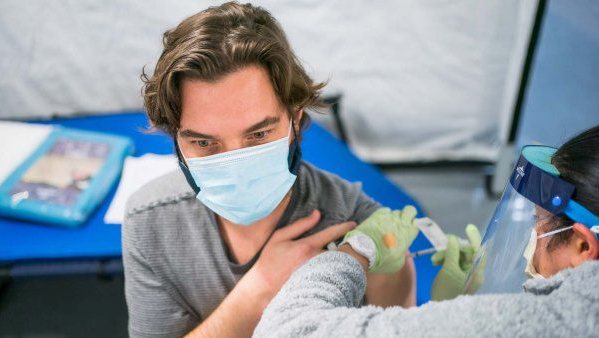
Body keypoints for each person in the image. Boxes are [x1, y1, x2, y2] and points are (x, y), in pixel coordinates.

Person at [122, 2, 417, 337]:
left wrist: (395, 273)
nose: (235, 165)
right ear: (175, 137)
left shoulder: (361, 229)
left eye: (259, 134)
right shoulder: (149, 222)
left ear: (296, 116)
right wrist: (257, 292)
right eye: (204, 143)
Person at [254, 125, 599, 337]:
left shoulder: (549, 322)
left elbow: (287, 332)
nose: (532, 238)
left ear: (584, 246)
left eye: (540, 223)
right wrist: (447, 310)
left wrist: (355, 250)